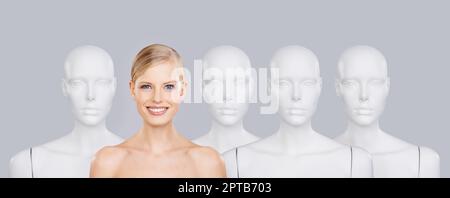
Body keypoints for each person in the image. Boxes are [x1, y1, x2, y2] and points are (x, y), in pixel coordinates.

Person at [223, 45, 372, 178]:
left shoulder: (355, 162)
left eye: (307, 83)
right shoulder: (235, 163)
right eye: (284, 83)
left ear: (319, 87)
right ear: (269, 89)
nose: (296, 95)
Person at [90, 44, 226, 177]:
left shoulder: (207, 163)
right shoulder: (107, 162)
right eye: (146, 86)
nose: (157, 98)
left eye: (168, 87)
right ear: (132, 89)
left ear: (182, 90)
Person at [9, 45, 123, 177]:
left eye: (101, 82)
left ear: (114, 86)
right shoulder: (29, 164)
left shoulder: (147, 160)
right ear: (65, 87)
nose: (90, 95)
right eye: (78, 83)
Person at [334, 45, 440, 177]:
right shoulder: (318, 159)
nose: (364, 95)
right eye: (351, 83)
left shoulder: (421, 161)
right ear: (338, 88)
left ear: (387, 86)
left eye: (375, 82)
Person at [193, 46, 259, 153]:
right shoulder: (183, 156)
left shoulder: (270, 156)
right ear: (202, 89)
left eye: (238, 82)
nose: (227, 95)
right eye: (215, 82)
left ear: (251, 88)